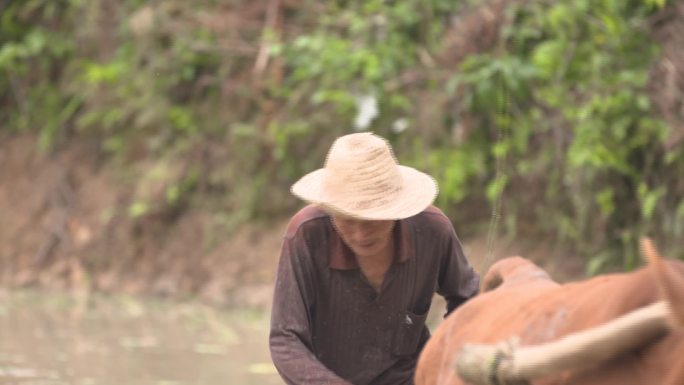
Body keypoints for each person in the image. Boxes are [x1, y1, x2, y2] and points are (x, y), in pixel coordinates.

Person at [269, 132, 480, 385]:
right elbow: (285, 339)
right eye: (347, 219)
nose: (360, 234)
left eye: (373, 220)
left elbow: (469, 301)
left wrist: (444, 363)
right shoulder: (305, 235)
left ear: (396, 209)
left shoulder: (433, 232)